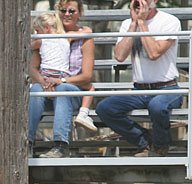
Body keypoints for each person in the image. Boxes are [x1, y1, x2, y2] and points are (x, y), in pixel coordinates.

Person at [95, 0, 182, 157]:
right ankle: (145, 140)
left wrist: (142, 22)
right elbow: (120, 56)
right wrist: (133, 24)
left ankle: (160, 146)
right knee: (105, 108)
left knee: (157, 106)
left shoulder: (169, 21)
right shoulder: (128, 24)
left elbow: (154, 53)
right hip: (139, 89)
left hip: (167, 88)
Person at [28, 0, 95, 158]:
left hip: (69, 88)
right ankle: (27, 142)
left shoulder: (82, 37)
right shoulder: (47, 37)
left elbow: (87, 76)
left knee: (63, 90)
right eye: (63, 10)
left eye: (71, 11)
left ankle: (60, 145)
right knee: (36, 89)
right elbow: (33, 67)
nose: (66, 14)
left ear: (80, 13)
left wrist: (61, 82)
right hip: (47, 86)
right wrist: (44, 82)